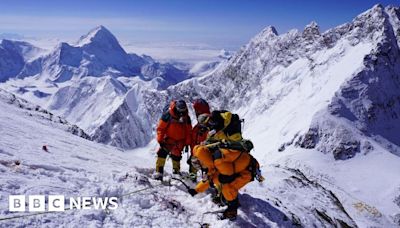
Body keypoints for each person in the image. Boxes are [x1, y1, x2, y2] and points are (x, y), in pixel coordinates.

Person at [187, 110, 261, 220]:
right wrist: (196, 190)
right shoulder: (213, 162)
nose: (199, 167)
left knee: (227, 186)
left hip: (247, 171)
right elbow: (209, 178)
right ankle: (226, 199)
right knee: (222, 182)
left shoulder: (219, 159)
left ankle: (232, 209)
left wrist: (227, 178)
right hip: (241, 166)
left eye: (198, 164)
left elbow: (227, 175)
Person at [154, 100, 192, 181]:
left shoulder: (186, 118)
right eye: (180, 110)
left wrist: (187, 142)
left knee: (176, 156)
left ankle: (176, 172)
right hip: (168, 139)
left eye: (183, 110)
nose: (182, 112)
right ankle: (159, 172)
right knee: (162, 153)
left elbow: (189, 131)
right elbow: (161, 128)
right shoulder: (168, 115)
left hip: (180, 141)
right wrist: (160, 140)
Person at [188, 98, 211, 182]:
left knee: (207, 171)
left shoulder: (207, 125)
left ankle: (194, 180)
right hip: (202, 154)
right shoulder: (198, 127)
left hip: (205, 155)